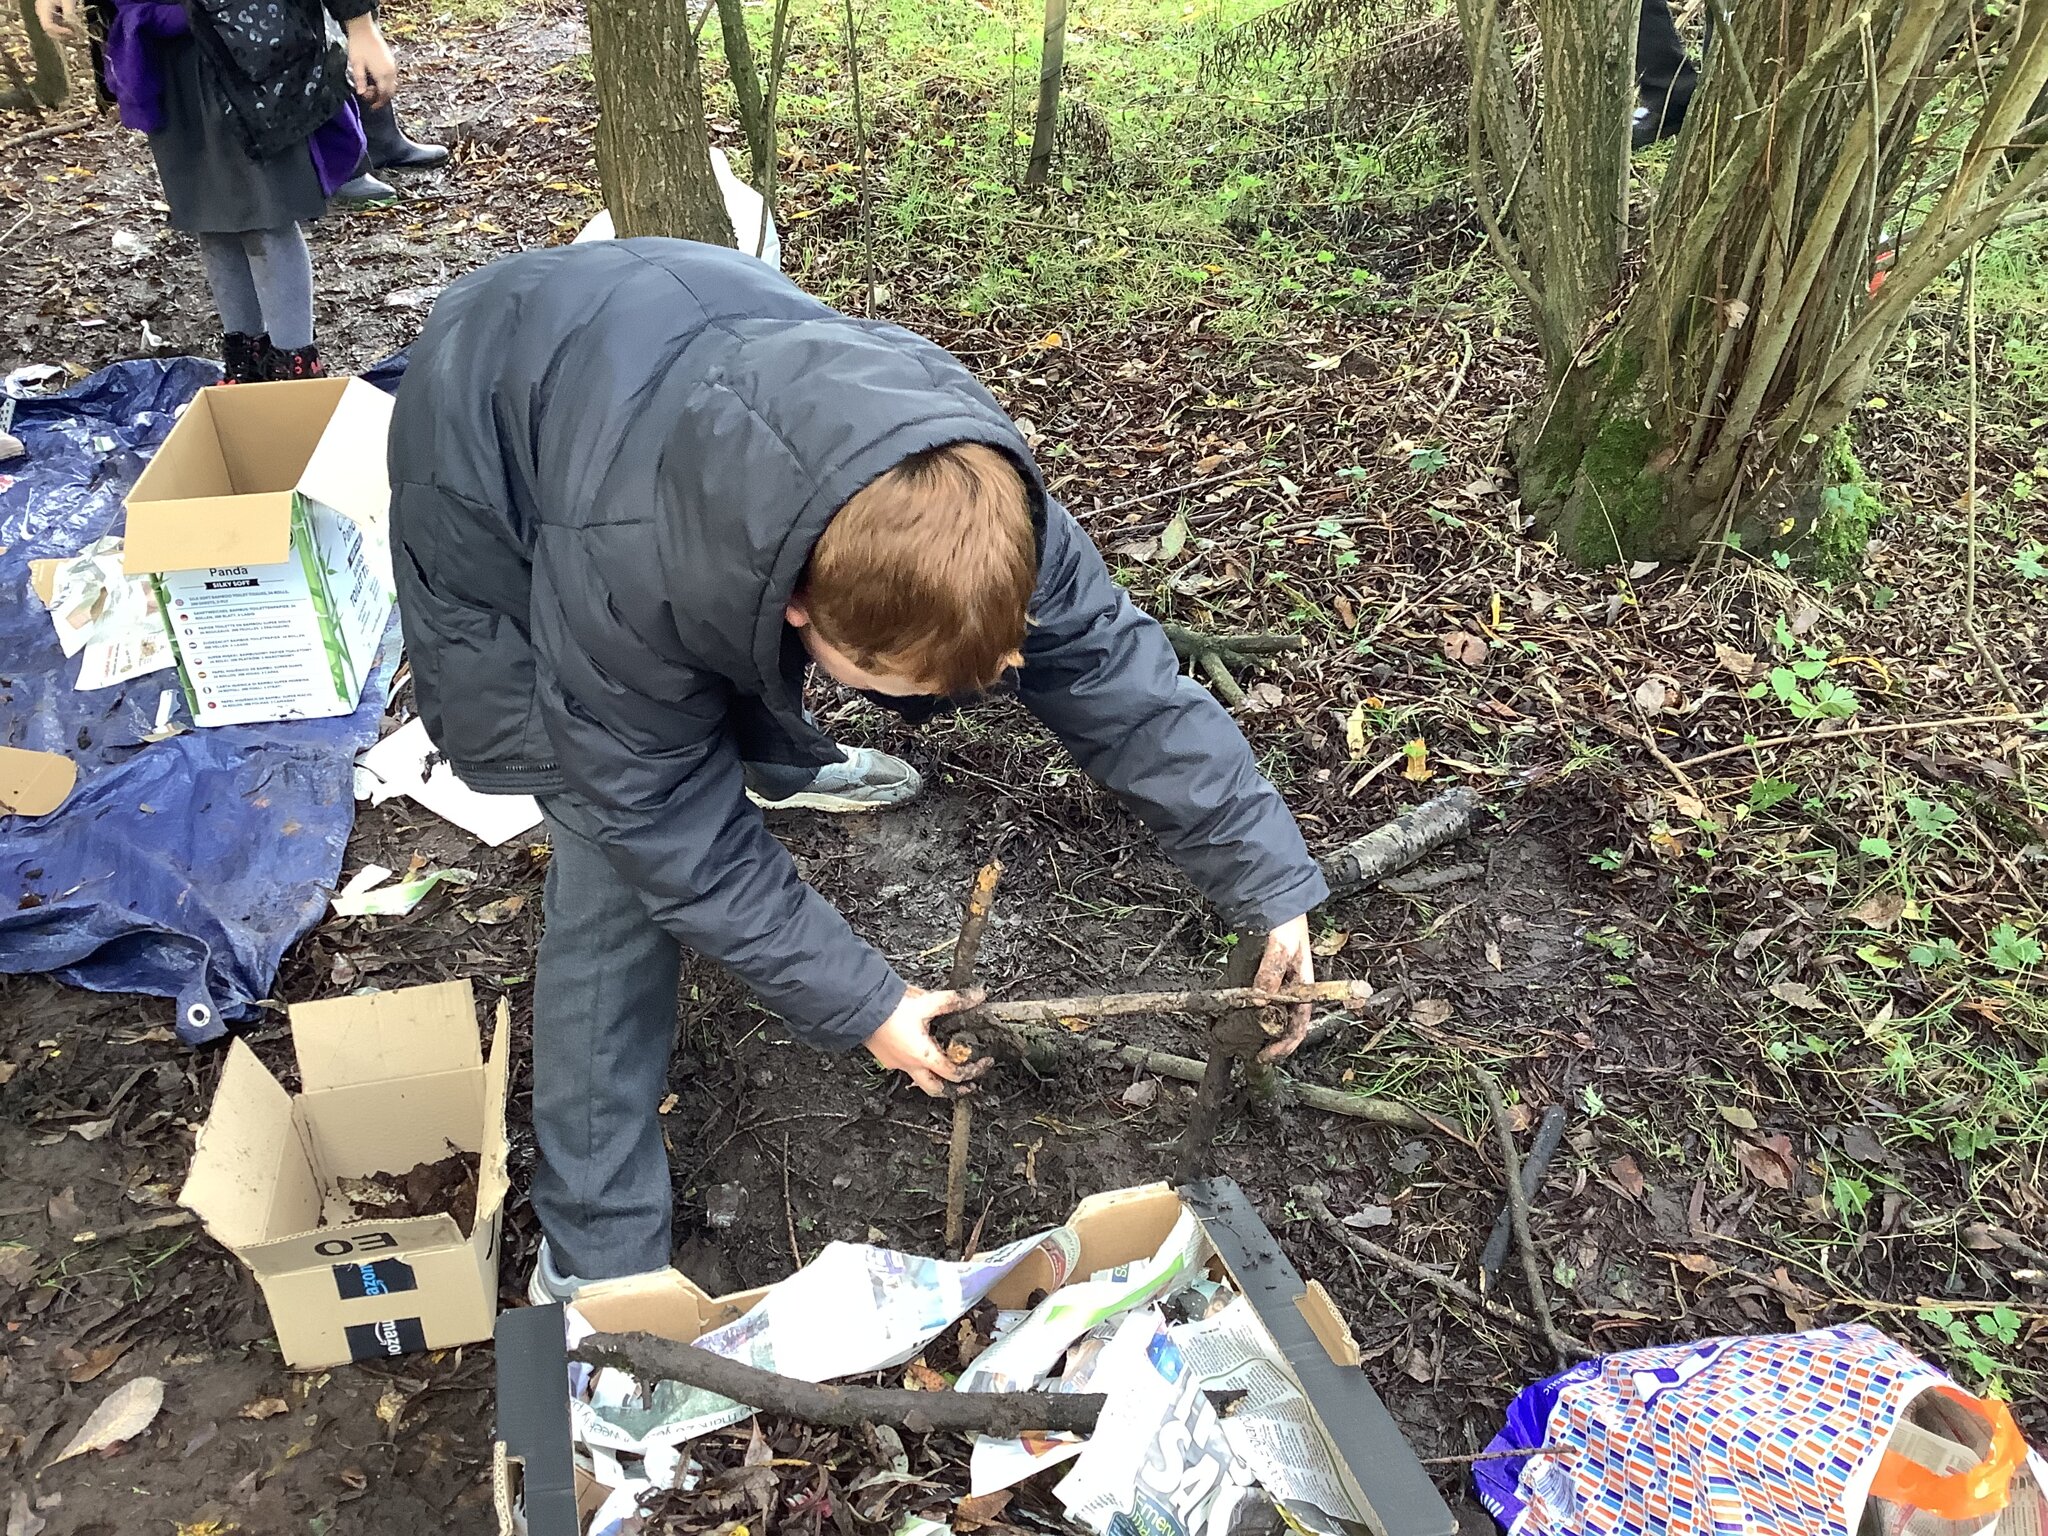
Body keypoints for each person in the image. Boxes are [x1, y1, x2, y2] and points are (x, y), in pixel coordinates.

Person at [387, 239, 1331, 1302]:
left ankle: (766, 755)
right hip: (488, 429)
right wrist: (866, 1002)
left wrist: (1270, 888)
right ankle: (597, 1261)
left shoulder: (981, 506)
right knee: (613, 864)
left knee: (686, 742)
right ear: (796, 608)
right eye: (891, 677)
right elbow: (661, 823)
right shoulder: (624, 580)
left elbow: (1122, 683)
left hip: (683, 351)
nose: (931, 703)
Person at [38, 0, 398, 380]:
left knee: (265, 215)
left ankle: (298, 375)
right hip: (160, 39)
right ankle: (247, 367)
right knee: (210, 216)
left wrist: (360, 25)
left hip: (254, 41)